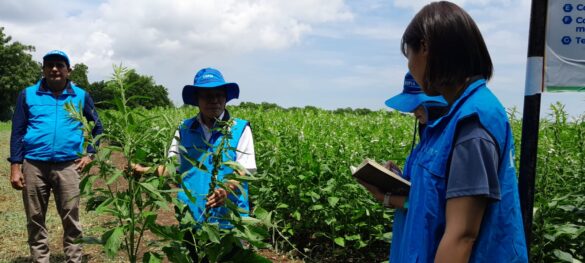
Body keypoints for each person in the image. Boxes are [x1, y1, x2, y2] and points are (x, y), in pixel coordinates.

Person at [392, 1, 528, 262]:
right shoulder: (451, 120)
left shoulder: (473, 121)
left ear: (425, 48)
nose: (411, 68)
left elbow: (462, 235)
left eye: (409, 58)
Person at [8, 50, 103, 263]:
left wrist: (90, 154)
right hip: (34, 164)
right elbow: (18, 131)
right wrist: (15, 165)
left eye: (59, 65)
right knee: (35, 218)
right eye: (49, 65)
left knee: (71, 217)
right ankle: (40, 259)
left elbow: (98, 128)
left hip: (69, 165)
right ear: (43, 69)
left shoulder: (81, 95)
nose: (54, 69)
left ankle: (74, 259)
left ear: (68, 70)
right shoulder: (28, 94)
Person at [356, 72, 447, 262]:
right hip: (408, 230)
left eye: (418, 105)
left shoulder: (447, 143)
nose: (414, 112)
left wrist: (386, 198)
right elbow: (417, 186)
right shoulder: (427, 139)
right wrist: (396, 175)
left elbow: (432, 205)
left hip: (425, 239)